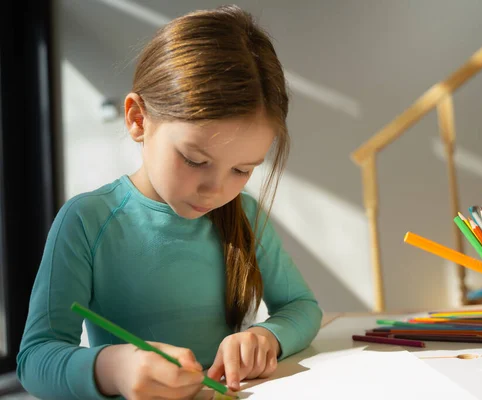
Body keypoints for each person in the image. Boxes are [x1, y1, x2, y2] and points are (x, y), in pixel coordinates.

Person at [16, 5, 322, 399]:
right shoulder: (87, 221)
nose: (215, 191)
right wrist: (114, 367)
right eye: (195, 160)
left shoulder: (244, 215)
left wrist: (267, 336)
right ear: (138, 119)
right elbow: (35, 358)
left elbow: (301, 305)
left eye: (242, 170)